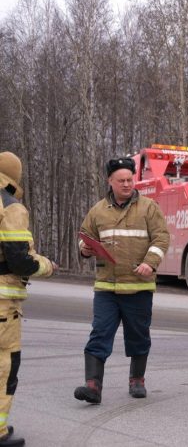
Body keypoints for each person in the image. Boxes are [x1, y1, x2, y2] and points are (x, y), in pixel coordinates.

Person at [74, 157, 169, 403]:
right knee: (99, 334)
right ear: (110, 181)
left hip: (138, 287)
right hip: (106, 287)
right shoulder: (97, 211)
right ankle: (93, 386)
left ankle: (137, 380)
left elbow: (161, 239)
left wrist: (150, 262)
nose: (127, 184)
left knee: (138, 335)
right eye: (122, 180)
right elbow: (84, 238)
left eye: (130, 179)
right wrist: (85, 249)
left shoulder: (149, 208)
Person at [0, 152, 57, 447]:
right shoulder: (10, 207)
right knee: (5, 365)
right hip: (2, 305)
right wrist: (46, 265)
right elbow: (19, 260)